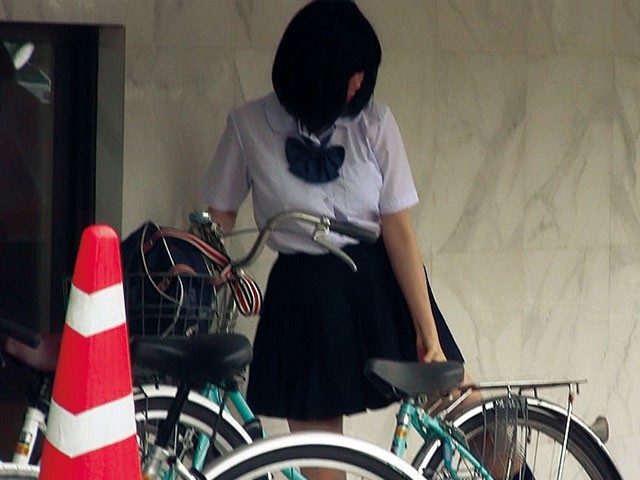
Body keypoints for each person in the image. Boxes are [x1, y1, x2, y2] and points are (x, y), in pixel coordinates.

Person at [203, 2, 468, 479]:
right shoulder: (249, 126)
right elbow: (216, 218)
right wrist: (201, 267)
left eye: (363, 76)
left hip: (379, 280)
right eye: (350, 76)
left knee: (463, 408)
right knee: (320, 457)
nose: (359, 86)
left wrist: (428, 333)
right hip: (303, 294)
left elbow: (398, 230)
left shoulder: (375, 124)